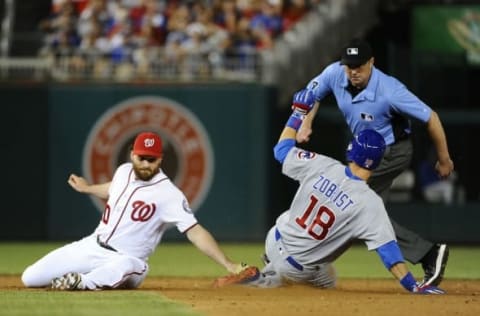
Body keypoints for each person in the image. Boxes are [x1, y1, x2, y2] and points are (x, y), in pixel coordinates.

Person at [214, 89, 445, 294]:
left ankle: (269, 270)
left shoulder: (322, 164)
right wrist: (410, 284)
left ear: (352, 150)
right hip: (297, 268)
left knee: (321, 266)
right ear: (375, 163)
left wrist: (298, 114)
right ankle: (261, 280)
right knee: (320, 282)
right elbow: (389, 253)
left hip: (273, 239)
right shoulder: (369, 203)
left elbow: (281, 150)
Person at [295, 38, 454, 287]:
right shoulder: (336, 72)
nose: (353, 71)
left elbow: (431, 117)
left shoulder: (390, 90)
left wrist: (444, 159)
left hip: (392, 152)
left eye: (359, 65)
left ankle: (304, 259)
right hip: (364, 150)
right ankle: (428, 253)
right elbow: (310, 95)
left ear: (371, 62)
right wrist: (307, 122)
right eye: (349, 66)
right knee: (362, 211)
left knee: (349, 201)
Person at [22, 131, 251, 290]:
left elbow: (195, 232)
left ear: (160, 159)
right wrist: (88, 188)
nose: (145, 164)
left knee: (126, 266)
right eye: (142, 158)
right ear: (133, 154)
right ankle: (81, 279)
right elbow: (111, 189)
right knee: (30, 278)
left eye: (152, 159)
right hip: (92, 246)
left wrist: (229, 264)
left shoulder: (168, 193)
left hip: (128, 259)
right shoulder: (123, 171)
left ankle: (80, 282)